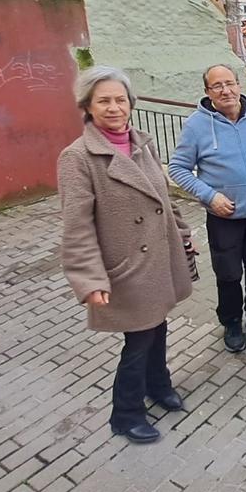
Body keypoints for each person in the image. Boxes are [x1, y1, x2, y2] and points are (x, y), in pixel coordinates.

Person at [57, 66, 196, 444]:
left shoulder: (142, 142)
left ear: (131, 104)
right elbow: (77, 226)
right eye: (104, 101)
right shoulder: (79, 157)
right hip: (127, 265)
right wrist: (89, 279)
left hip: (159, 257)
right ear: (87, 106)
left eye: (120, 99)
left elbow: (163, 199)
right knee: (138, 340)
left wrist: (183, 235)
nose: (114, 107)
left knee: (158, 324)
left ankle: (159, 385)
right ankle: (125, 413)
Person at [170, 65, 246, 353]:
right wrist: (210, 196)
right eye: (217, 86)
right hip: (223, 217)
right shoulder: (196, 125)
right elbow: (178, 168)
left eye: (229, 83)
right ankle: (231, 322)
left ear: (239, 85)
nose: (225, 90)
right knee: (228, 275)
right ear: (208, 92)